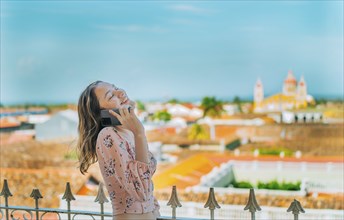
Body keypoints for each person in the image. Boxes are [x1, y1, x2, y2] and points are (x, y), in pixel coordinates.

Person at [77, 81, 160, 220]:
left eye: (116, 88)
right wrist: (140, 134)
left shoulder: (128, 132)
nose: (120, 92)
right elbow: (141, 192)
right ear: (102, 113)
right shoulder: (108, 135)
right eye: (111, 96)